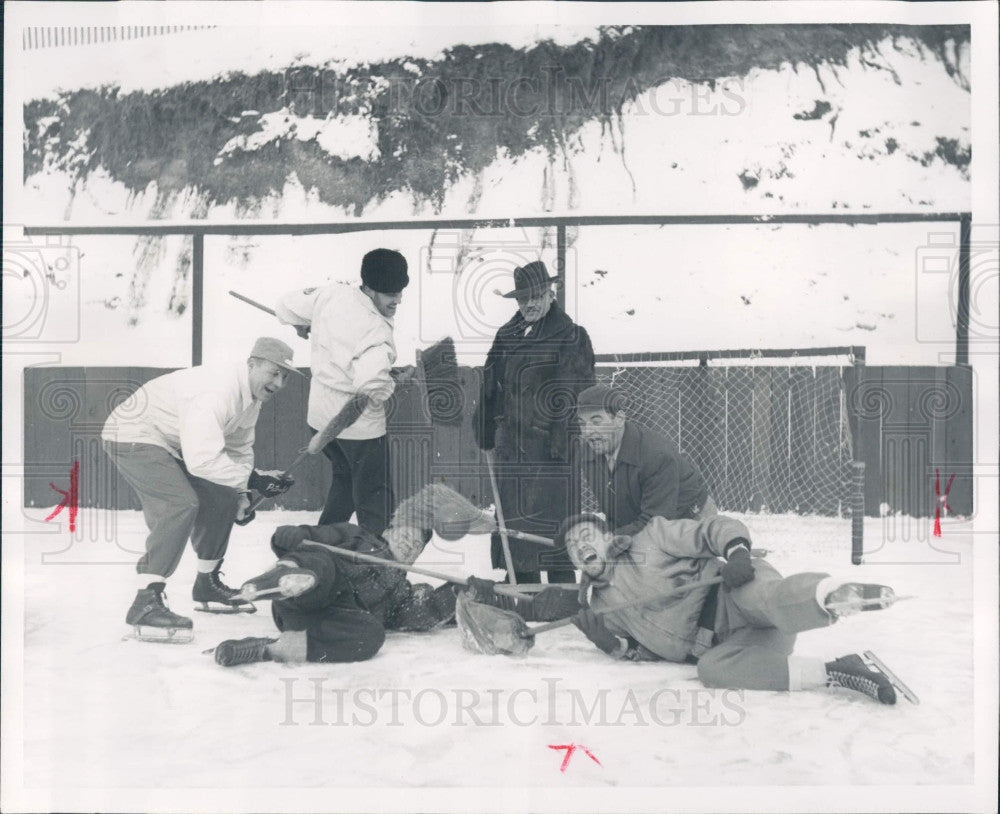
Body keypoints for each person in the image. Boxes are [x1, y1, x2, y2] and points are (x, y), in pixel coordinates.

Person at [558, 512, 907, 704]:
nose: (580, 545)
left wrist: (737, 550)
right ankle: (839, 669)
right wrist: (611, 644)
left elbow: (712, 528)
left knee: (765, 598)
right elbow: (644, 653)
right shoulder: (603, 609)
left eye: (586, 534)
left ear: (607, 537)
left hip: (732, 591)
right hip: (733, 647)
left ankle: (831, 595)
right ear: (574, 561)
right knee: (712, 671)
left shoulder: (653, 537)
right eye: (572, 546)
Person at [103, 337, 300, 641]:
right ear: (252, 364)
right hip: (133, 433)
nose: (279, 382)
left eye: (285, 376)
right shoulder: (217, 391)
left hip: (172, 443)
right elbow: (203, 461)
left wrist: (243, 494)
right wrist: (253, 481)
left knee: (222, 496)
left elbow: (238, 449)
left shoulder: (250, 399)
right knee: (179, 503)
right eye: (273, 373)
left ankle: (206, 583)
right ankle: (146, 600)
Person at [473, 261, 595, 585]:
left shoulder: (571, 336)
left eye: (536, 296)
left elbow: (574, 392)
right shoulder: (506, 335)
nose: (529, 304)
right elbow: (490, 382)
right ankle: (525, 593)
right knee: (517, 529)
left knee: (554, 526)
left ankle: (563, 591)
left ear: (550, 294)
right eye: (522, 298)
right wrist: (485, 426)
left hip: (550, 452)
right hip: (511, 449)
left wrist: (560, 443)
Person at [276, 248, 411, 536]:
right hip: (357, 427)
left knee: (346, 479)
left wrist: (303, 322)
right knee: (375, 498)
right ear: (371, 288)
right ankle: (377, 561)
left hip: (319, 421)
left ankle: (321, 542)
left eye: (400, 292)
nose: (397, 300)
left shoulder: (332, 294)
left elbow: (285, 306)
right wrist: (392, 380)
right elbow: (370, 390)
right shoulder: (376, 332)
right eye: (390, 294)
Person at [574, 383, 713, 536]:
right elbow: (614, 511)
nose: (588, 431)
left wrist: (611, 538)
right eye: (582, 423)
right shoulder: (589, 452)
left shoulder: (656, 456)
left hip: (690, 518)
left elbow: (656, 524)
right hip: (645, 522)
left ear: (619, 419)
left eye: (596, 421)